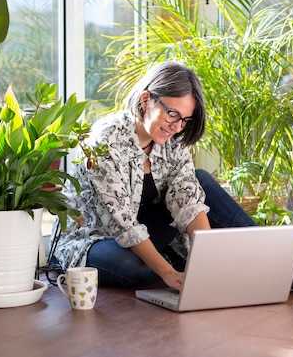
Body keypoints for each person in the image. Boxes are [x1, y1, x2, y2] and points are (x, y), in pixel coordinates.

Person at [51, 61, 258, 291]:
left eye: (185, 120)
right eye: (172, 114)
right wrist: (168, 274)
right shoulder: (105, 141)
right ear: (146, 99)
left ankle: (269, 256)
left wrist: (205, 262)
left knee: (201, 180)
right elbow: (124, 224)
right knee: (132, 265)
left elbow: (187, 200)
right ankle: (166, 263)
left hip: (144, 231)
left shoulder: (172, 141)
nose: (177, 127)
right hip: (96, 238)